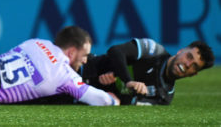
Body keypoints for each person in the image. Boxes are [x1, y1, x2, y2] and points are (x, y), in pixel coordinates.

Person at [77, 38, 215, 105]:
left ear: (193, 74)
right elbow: (116, 51)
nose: (187, 64)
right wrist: (127, 80)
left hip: (86, 100)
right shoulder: (154, 50)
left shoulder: (164, 98)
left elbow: (130, 106)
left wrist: (116, 88)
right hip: (82, 69)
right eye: (189, 56)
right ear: (181, 51)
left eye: (194, 66)